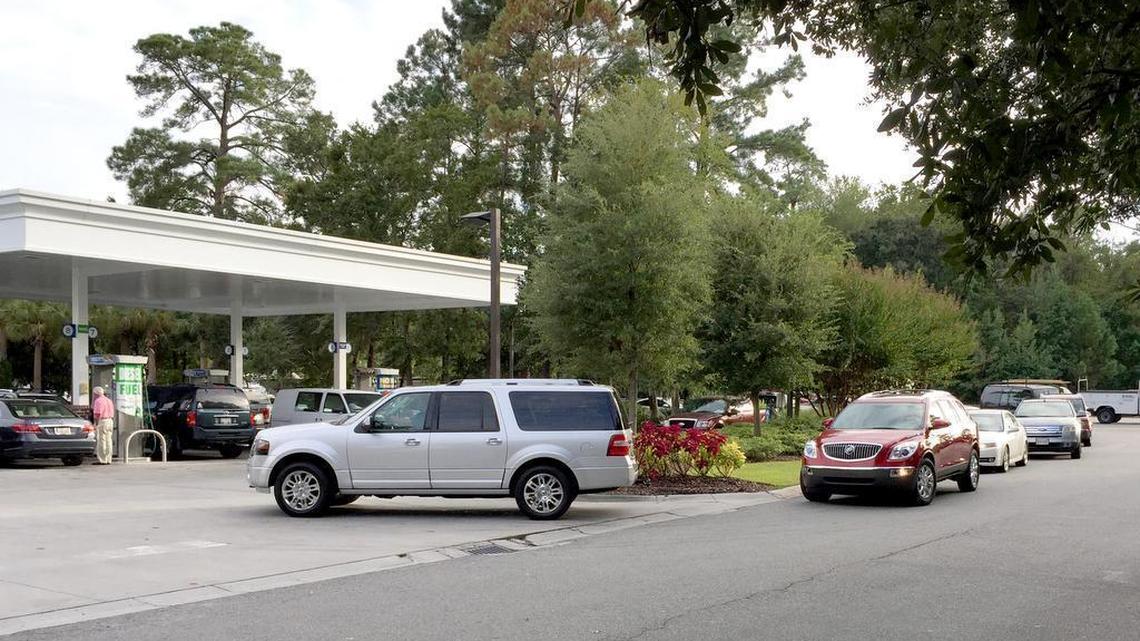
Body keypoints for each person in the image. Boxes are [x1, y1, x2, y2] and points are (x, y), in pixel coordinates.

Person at [91, 386, 115, 464]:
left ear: (96, 394)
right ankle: (109, 459)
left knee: (101, 440)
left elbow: (98, 414)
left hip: (102, 421)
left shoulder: (98, 401)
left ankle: (102, 459)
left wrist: (96, 423)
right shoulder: (109, 400)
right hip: (110, 420)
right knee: (109, 440)